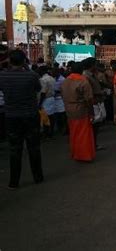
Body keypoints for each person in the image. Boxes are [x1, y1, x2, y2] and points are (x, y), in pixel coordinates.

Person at [0, 50, 43, 189]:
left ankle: (14, 182)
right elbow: (38, 89)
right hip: (30, 115)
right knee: (34, 148)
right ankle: (38, 177)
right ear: (24, 61)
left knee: (14, 149)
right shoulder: (32, 75)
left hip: (11, 116)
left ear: (9, 61)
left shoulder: (3, 76)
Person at [61, 62, 96, 162]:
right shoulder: (83, 81)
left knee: (73, 132)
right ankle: (84, 155)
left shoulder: (66, 80)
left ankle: (75, 153)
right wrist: (91, 112)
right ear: (81, 70)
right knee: (83, 133)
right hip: (81, 110)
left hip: (69, 109)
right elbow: (89, 99)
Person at [83, 57, 106, 150]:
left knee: (96, 124)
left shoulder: (92, 74)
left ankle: (93, 144)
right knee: (93, 125)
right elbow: (88, 91)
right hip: (93, 102)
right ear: (92, 65)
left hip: (97, 101)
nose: (97, 66)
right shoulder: (86, 76)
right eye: (95, 64)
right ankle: (92, 145)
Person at [38, 66, 56, 140]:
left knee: (45, 118)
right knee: (51, 116)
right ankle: (51, 132)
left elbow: (43, 93)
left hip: (45, 100)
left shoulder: (43, 80)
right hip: (52, 98)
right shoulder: (52, 78)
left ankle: (47, 134)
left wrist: (40, 103)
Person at [52, 68, 67, 136]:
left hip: (61, 98)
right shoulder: (53, 78)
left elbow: (64, 90)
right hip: (55, 99)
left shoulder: (62, 79)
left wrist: (57, 92)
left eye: (54, 72)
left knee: (62, 115)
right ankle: (59, 128)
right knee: (57, 115)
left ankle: (64, 129)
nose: (52, 73)